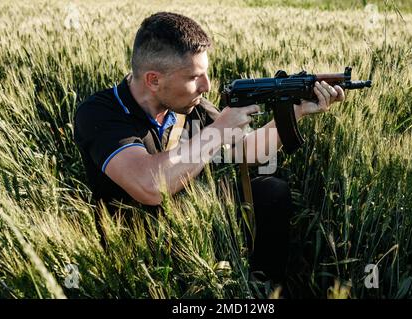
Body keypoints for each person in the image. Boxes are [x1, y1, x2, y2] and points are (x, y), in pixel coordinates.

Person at [74, 12, 344, 287]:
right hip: (135, 251)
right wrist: (218, 130)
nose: (207, 86)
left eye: (206, 73)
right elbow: (149, 187)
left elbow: (247, 151)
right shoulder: (100, 113)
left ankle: (265, 290)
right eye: (194, 77)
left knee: (270, 190)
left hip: (193, 231)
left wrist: (296, 111)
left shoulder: (192, 106)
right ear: (153, 80)